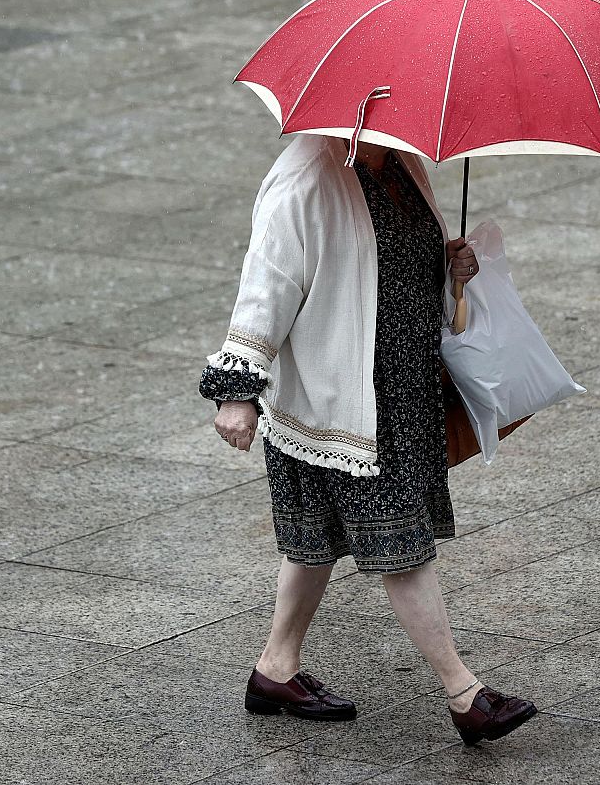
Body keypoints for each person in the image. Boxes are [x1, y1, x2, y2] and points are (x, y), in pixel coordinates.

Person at [197, 132, 537, 745]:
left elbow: (392, 267)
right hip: (336, 403)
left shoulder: (401, 163)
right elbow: (266, 282)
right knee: (400, 548)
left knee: (313, 542)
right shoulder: (304, 177)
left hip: (402, 393)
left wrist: (447, 264)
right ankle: (464, 695)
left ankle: (275, 670)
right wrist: (237, 388)